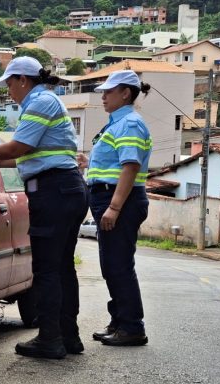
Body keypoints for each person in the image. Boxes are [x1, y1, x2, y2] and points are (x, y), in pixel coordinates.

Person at [0, 57, 88, 359]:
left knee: (47, 270)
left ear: (22, 80)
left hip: (54, 192)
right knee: (62, 268)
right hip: (64, 189)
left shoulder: (40, 102)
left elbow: (18, 148)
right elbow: (19, 158)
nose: (8, 91)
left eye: (9, 84)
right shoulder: (46, 101)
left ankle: (50, 339)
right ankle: (68, 337)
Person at [84, 70, 152, 346]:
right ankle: (120, 321)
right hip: (109, 198)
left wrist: (113, 207)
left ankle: (133, 326)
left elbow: (130, 166)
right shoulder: (116, 123)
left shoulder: (130, 123)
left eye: (109, 91)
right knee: (111, 266)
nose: (103, 96)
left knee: (119, 265)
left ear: (126, 93)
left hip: (120, 200)